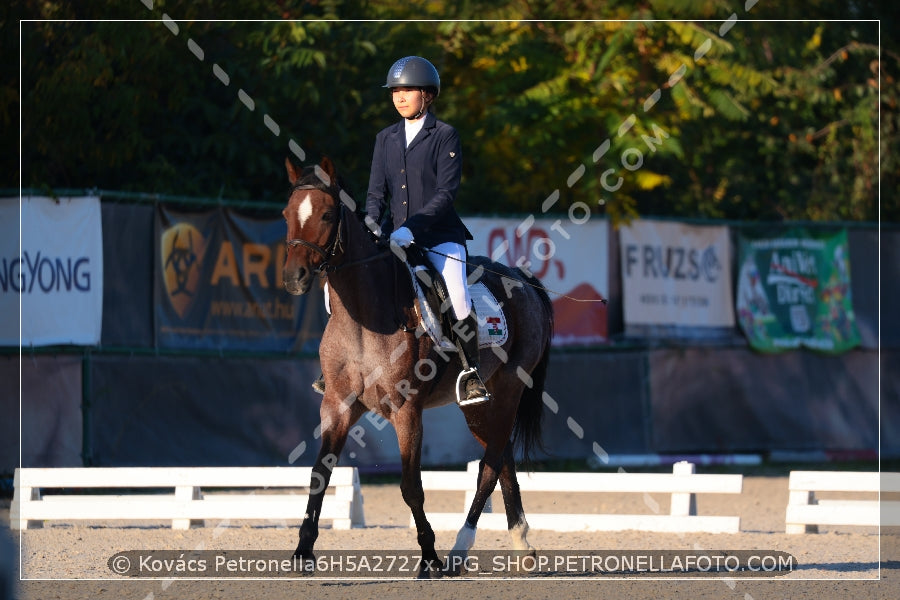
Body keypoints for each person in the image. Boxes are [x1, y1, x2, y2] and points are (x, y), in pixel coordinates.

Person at [312, 56, 490, 406]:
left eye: (407, 89)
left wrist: (412, 228)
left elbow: (445, 194)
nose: (400, 96)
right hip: (393, 237)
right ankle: (341, 365)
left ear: (428, 94)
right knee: (340, 286)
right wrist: (373, 227)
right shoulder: (385, 138)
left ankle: (471, 372)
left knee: (456, 295)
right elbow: (376, 192)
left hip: (439, 237)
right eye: (395, 91)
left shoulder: (444, 135)